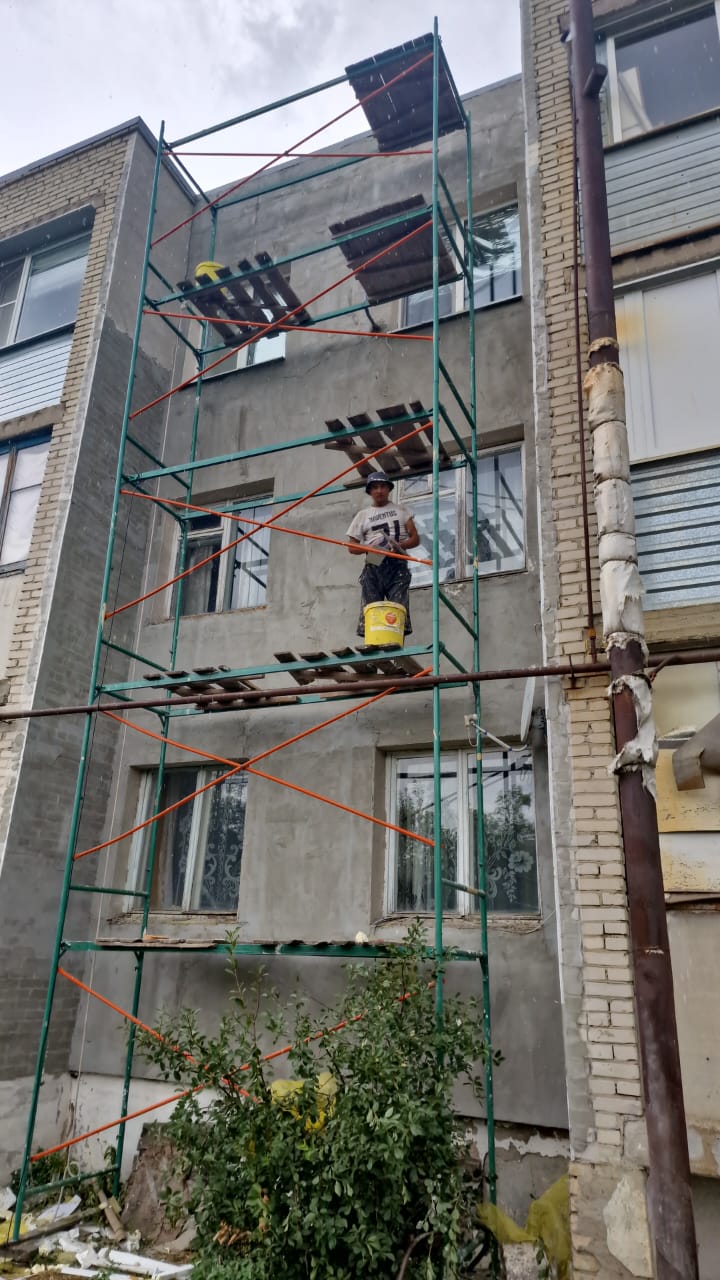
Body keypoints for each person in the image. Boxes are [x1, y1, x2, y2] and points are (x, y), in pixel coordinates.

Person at [346, 472, 420, 639]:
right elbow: (351, 547)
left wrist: (399, 545)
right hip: (374, 560)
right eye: (375, 487)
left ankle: (395, 643)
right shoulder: (363, 515)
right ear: (370, 491)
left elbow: (415, 539)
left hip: (397, 560)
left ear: (388, 489)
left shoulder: (401, 511)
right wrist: (370, 547)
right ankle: (373, 644)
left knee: (397, 608)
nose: (379, 491)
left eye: (382, 487)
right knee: (372, 608)